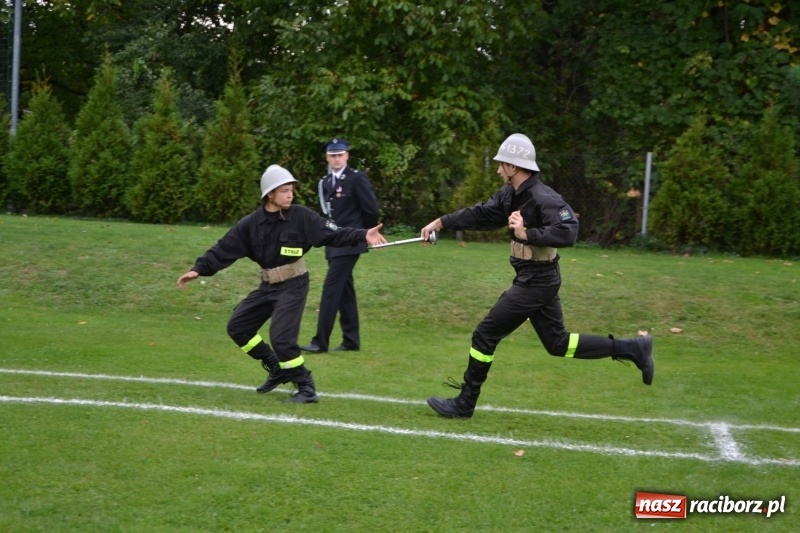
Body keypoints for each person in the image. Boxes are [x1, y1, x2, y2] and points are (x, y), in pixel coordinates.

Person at [420, 133, 654, 419]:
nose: (498, 170)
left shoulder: (544, 198)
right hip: (534, 278)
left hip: (537, 281)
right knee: (558, 344)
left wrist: (526, 233)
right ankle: (633, 348)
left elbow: (570, 230)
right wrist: (442, 222)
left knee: (485, 334)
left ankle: (465, 403)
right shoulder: (511, 195)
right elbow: (483, 214)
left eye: (502, 164)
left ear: (515, 166)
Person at [177, 164, 387, 404]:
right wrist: (198, 269)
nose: (290, 195)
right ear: (270, 195)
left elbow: (333, 234)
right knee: (238, 327)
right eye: (284, 190)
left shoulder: (302, 216)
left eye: (291, 190)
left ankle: (306, 387)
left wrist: (363, 234)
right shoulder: (250, 224)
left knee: (282, 338)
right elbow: (225, 248)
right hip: (268, 286)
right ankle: (276, 368)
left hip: (294, 283)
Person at [300, 138, 380, 354]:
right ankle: (351, 340)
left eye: (340, 155)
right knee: (345, 291)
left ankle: (320, 341)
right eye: (332, 155)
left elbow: (371, 209)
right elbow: (327, 214)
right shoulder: (324, 182)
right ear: (327, 157)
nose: (336, 158)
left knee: (330, 289)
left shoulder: (356, 179)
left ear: (347, 156)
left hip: (351, 242)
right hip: (333, 243)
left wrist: (368, 234)